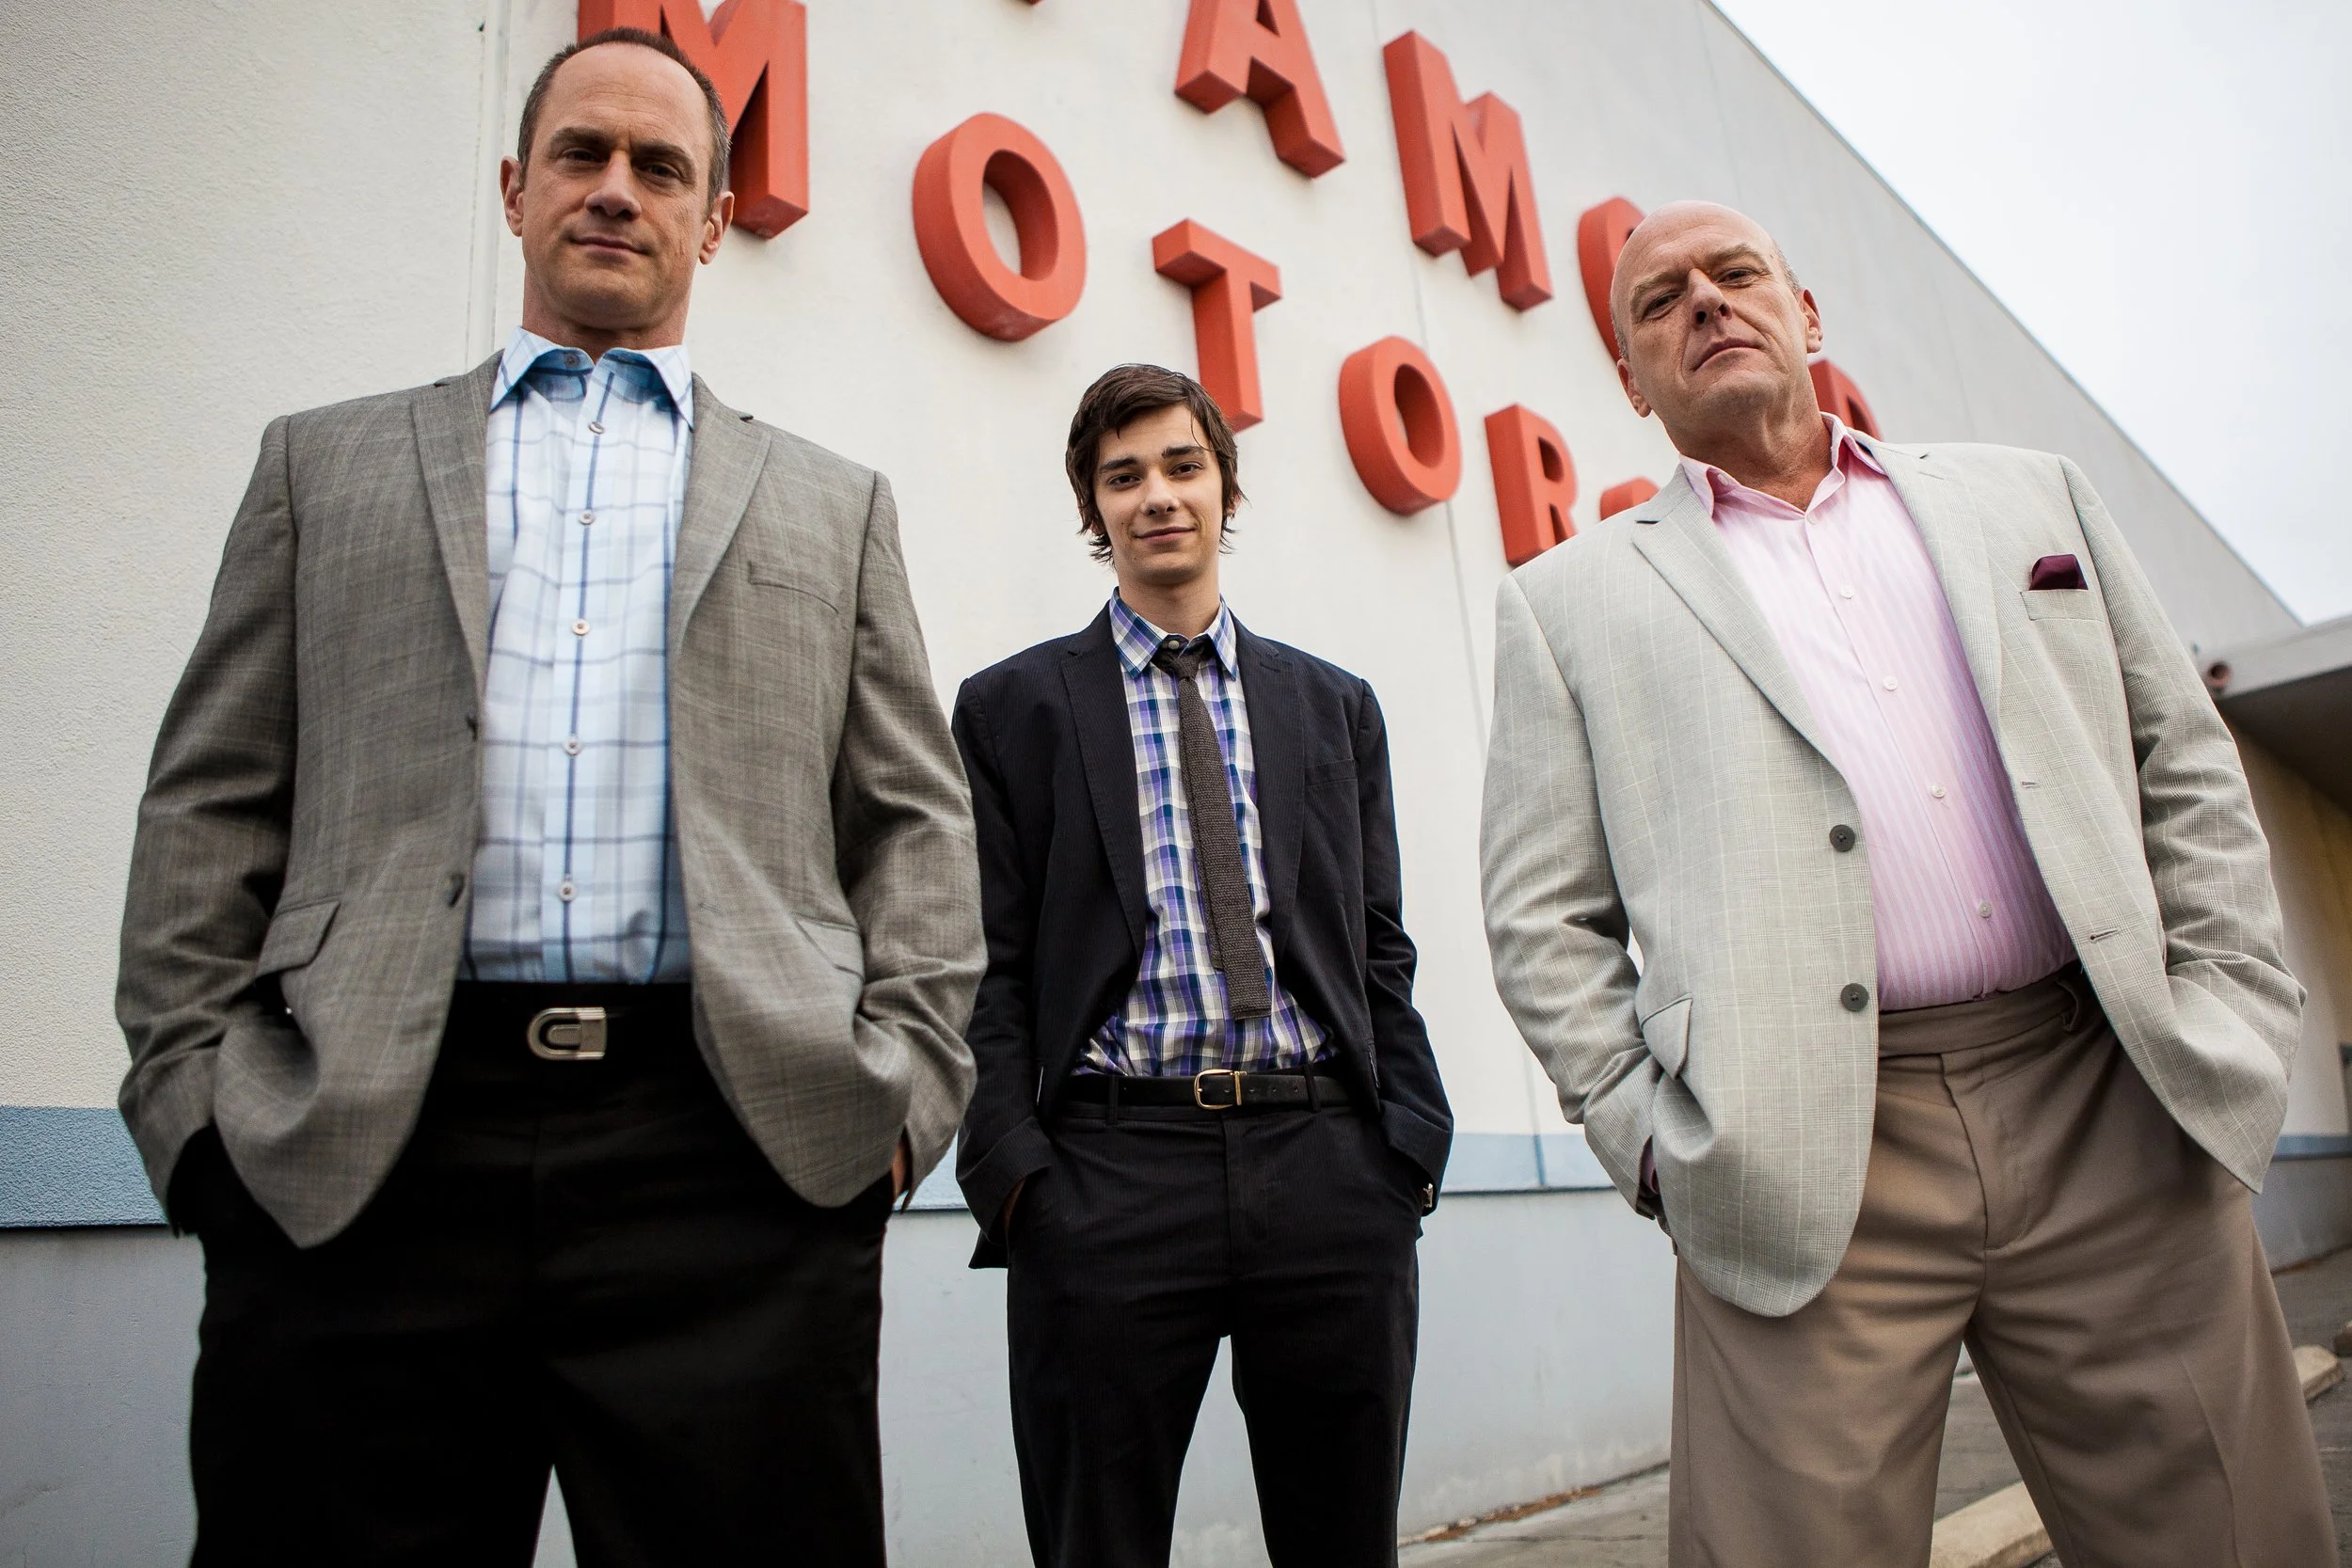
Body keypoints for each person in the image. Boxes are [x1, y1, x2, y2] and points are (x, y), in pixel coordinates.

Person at [114, 29, 982, 1564]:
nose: (616, 189)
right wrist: (197, 1114)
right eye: (581, 154)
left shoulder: (833, 504)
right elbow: (211, 798)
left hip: (736, 1160)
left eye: (661, 166)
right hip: (363, 1160)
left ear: (714, 220)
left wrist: (899, 1106)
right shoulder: (323, 466)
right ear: (517, 191)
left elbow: (913, 822)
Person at [1480, 200, 2333, 1566]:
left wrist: (2230, 993)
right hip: (1792, 1150)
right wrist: (1650, 1138)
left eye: (1735, 273)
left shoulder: (2032, 497)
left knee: (2227, 1530)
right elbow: (1541, 916)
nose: (1705, 302)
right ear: (1631, 380)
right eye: (1659, 300)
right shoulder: (1566, 602)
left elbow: (2180, 754)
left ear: (1807, 314)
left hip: (2109, 1093)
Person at [952, 364, 1452, 1567]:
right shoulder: (1011, 707)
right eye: (1122, 476)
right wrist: (1018, 1175)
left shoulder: (1332, 705)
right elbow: (984, 964)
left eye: (1182, 465)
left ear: (1225, 483)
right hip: (1107, 1173)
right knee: (1097, 1542)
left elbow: (1377, 943)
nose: (1157, 496)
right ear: (1093, 506)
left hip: (1327, 1162)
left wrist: (1407, 1142)